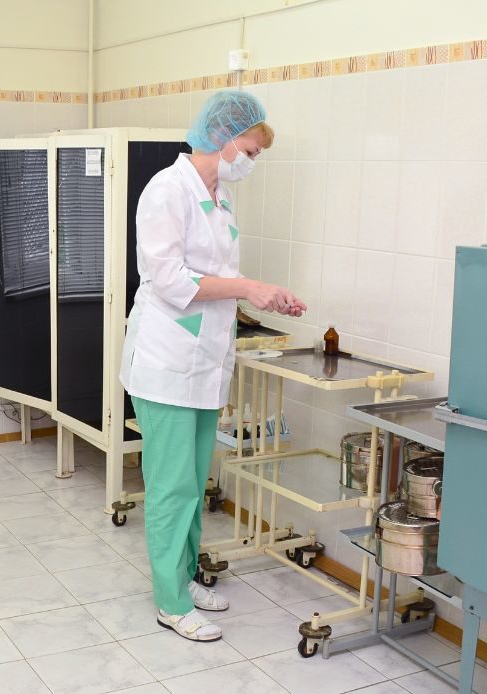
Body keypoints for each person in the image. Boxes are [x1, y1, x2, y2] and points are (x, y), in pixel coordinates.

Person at [119, 90, 306, 642]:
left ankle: (184, 575)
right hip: (166, 362)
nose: (252, 161)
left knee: (194, 481)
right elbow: (171, 281)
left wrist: (264, 297)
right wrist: (248, 286)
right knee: (171, 487)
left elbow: (218, 281)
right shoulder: (166, 190)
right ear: (223, 137)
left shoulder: (219, 200)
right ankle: (171, 602)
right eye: (250, 150)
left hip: (203, 363)